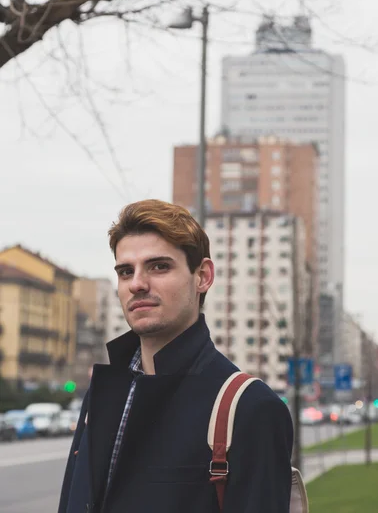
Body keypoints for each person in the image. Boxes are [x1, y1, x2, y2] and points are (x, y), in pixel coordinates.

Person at [58, 199, 293, 513]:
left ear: (203, 276)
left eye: (159, 266)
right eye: (126, 272)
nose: (137, 284)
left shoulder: (250, 408)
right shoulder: (101, 394)